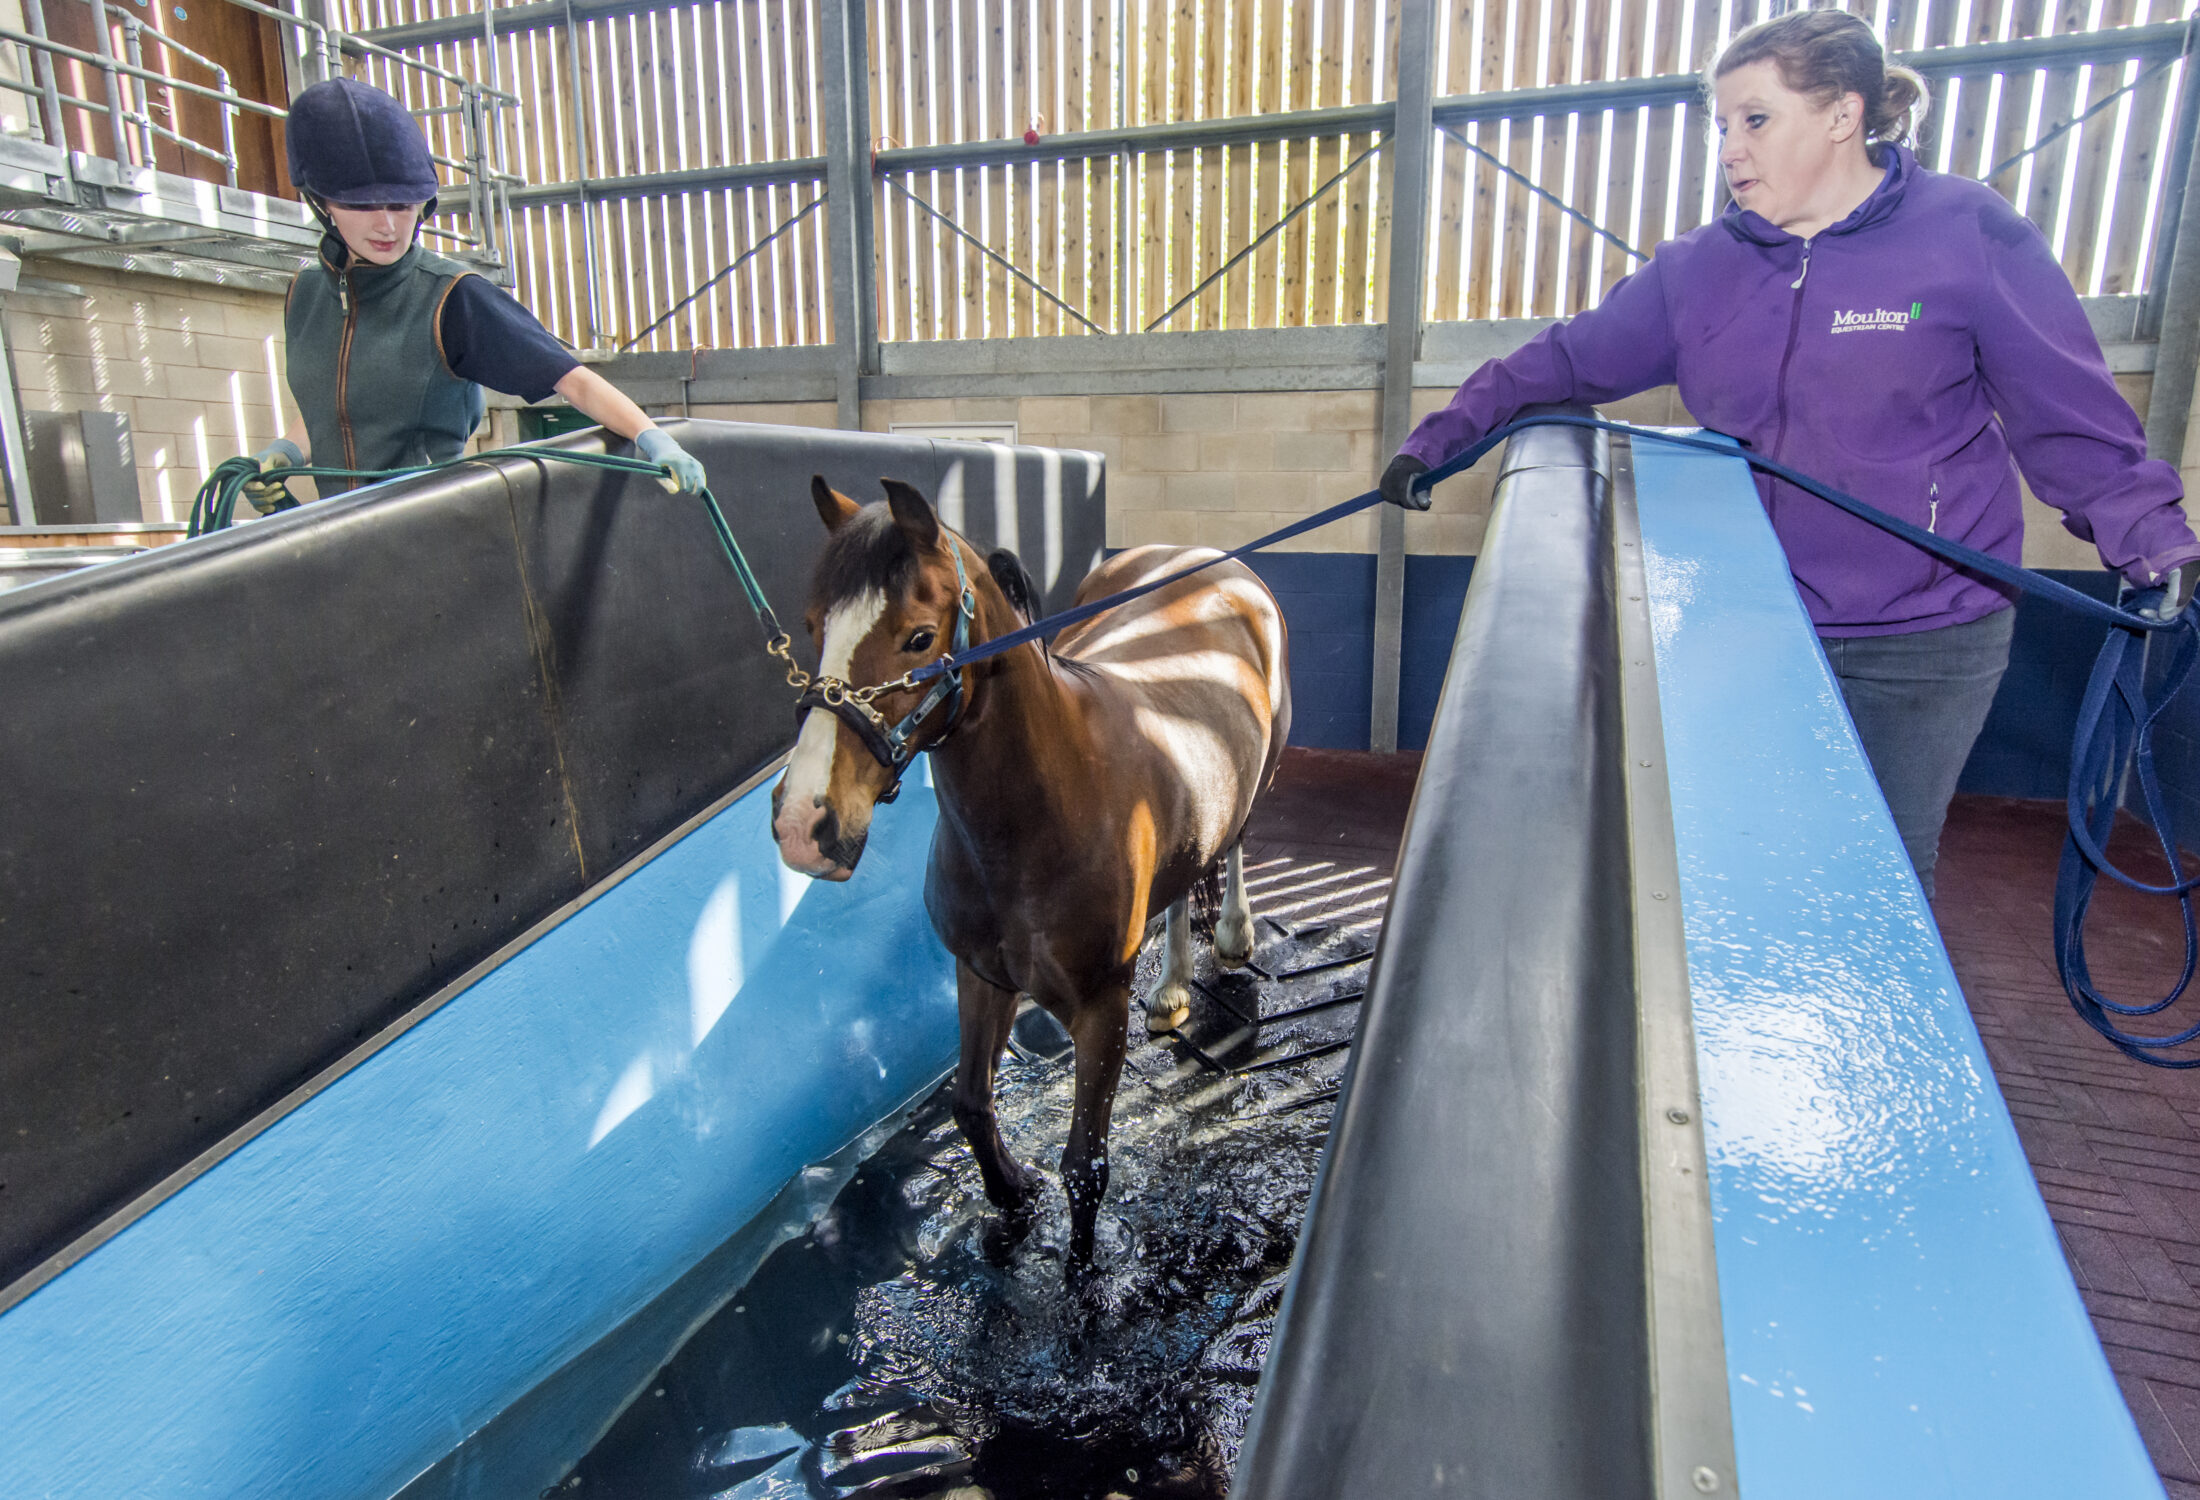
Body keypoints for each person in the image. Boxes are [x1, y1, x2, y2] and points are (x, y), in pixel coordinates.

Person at [1380, 9, 2200, 898]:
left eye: (1756, 120)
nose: (1731, 148)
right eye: (1722, 125)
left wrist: (2151, 543)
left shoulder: (1963, 233)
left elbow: (2065, 411)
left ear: (1843, 115)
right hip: (1751, 619)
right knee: (1738, 859)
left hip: (1927, 634)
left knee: (1878, 877)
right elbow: (1564, 359)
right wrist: (1440, 441)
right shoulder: (1701, 268)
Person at [243, 77, 705, 510]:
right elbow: (338, 404)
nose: (386, 225)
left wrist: (651, 437)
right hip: (332, 524)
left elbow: (571, 378)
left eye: (402, 205)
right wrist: (289, 451)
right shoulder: (304, 296)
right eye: (361, 206)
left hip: (431, 524)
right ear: (321, 202)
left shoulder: (451, 297)